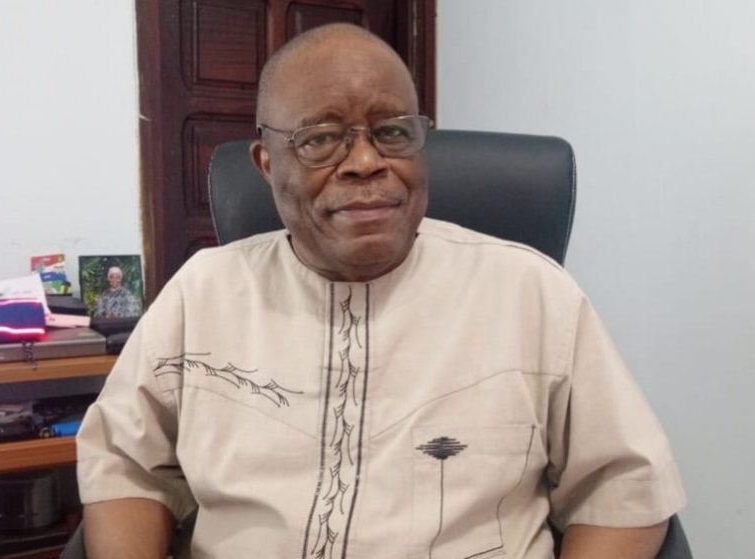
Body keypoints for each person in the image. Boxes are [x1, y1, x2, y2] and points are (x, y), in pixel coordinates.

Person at [76, 23, 685, 559]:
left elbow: (624, 488)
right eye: (320, 138)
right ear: (265, 163)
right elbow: (126, 468)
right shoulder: (201, 294)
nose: (365, 161)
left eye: (392, 132)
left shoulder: (532, 294)